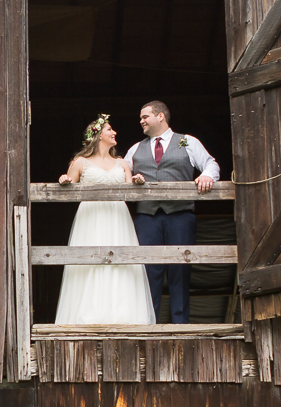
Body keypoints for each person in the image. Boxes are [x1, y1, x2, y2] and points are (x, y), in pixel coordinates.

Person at [124, 100, 222, 324]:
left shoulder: (186, 141)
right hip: (147, 217)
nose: (141, 121)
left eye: (145, 116)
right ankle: (150, 324)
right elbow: (121, 174)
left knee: (180, 269)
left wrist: (207, 175)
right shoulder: (135, 149)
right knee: (148, 270)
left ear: (160, 117)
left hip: (180, 215)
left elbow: (211, 163)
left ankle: (180, 325)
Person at [52, 114, 156, 325]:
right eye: (109, 129)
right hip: (91, 217)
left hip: (118, 216)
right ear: (98, 135)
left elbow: (129, 190)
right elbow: (69, 182)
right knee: (91, 262)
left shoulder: (122, 163)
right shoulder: (80, 162)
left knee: (121, 263)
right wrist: (64, 180)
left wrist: (136, 181)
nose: (114, 132)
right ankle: (89, 314)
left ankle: (123, 314)